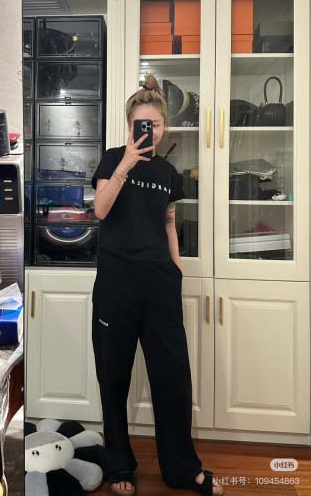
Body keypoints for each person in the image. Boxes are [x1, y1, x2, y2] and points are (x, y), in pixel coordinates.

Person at [90, 74, 224, 496]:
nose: (149, 131)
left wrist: (176, 269)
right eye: (141, 124)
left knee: (173, 378)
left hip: (160, 283)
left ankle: (182, 469)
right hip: (116, 283)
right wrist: (126, 165)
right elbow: (99, 210)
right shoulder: (112, 160)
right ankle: (119, 466)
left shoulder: (169, 173)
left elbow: (168, 223)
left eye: (156, 124)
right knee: (113, 378)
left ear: (165, 127)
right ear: (130, 125)